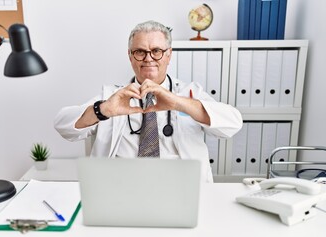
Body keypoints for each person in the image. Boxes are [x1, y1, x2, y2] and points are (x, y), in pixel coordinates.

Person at [54, 20, 243, 182]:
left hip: (179, 188)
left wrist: (178, 102)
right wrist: (103, 110)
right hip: (120, 188)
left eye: (157, 51)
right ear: (130, 56)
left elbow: (232, 124)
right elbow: (63, 125)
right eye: (139, 51)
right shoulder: (113, 96)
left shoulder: (188, 93)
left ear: (169, 55)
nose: (148, 58)